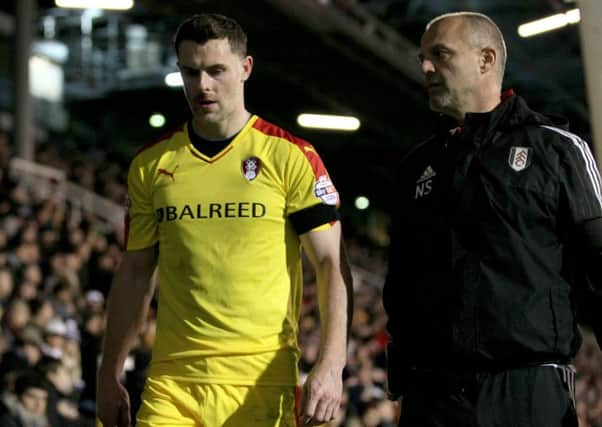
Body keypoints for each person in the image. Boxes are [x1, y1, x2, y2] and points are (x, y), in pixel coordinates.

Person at [97, 13, 353, 427]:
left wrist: (332, 363)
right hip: (173, 383)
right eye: (191, 72)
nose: (203, 86)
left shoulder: (290, 157)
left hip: (261, 382)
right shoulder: (151, 164)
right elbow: (135, 273)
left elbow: (330, 265)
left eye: (216, 71)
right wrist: (109, 372)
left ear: (245, 68)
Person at [383, 11, 602, 427]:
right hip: (432, 398)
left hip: (530, 393)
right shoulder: (416, 166)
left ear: (485, 60)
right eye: (422, 58)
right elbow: (401, 284)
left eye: (440, 54)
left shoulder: (557, 150)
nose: (426, 67)